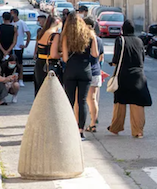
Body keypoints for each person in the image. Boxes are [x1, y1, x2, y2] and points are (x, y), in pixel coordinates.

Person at [108, 20, 153, 138]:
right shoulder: (139, 41)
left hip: (123, 76)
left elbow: (116, 59)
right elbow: (142, 59)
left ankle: (115, 127)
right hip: (138, 76)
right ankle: (138, 131)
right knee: (137, 104)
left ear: (123, 29)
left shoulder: (120, 40)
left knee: (120, 103)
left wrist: (112, 64)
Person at [61, 12, 98, 140]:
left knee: (69, 101)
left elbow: (65, 58)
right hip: (85, 70)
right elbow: (95, 54)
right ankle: (80, 131)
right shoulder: (90, 35)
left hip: (70, 70)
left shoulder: (66, 37)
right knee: (82, 101)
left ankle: (67, 130)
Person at [84, 17, 105, 133]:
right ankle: (93, 123)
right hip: (96, 71)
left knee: (82, 100)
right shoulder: (99, 41)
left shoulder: (83, 39)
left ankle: (84, 124)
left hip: (85, 71)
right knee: (93, 99)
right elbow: (100, 58)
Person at [33, 15, 62, 95]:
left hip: (39, 64)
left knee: (40, 90)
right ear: (57, 22)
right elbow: (53, 55)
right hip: (49, 65)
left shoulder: (41, 33)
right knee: (51, 92)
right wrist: (63, 55)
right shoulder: (54, 35)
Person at [11, 9, 30, 87]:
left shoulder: (21, 23)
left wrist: (26, 45)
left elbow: (28, 33)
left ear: (15, 14)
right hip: (11, 47)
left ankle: (21, 79)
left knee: (20, 64)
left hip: (18, 47)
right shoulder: (11, 23)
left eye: (11, 13)